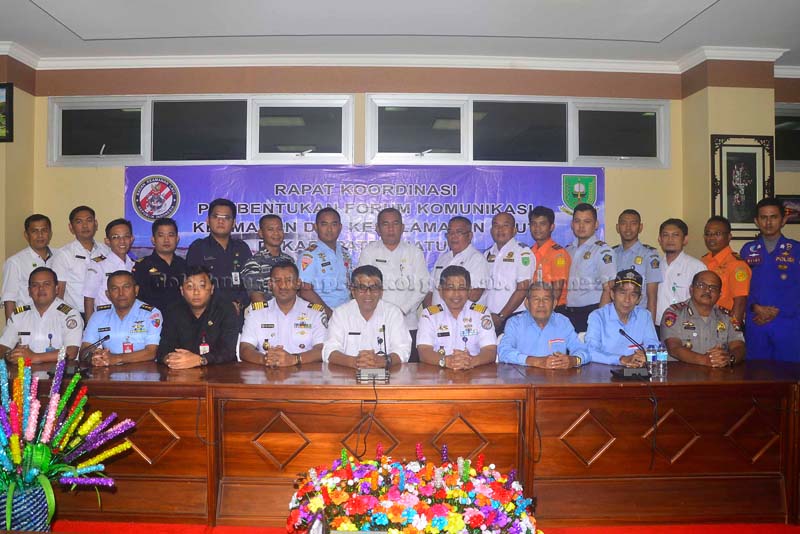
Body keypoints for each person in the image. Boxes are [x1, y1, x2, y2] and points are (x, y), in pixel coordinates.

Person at [357, 208, 428, 361]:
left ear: (402, 227)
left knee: (408, 370)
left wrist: (401, 310)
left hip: (408, 322)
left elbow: (422, 287)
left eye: (395, 224)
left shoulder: (414, 252)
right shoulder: (369, 252)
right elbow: (363, 286)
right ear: (377, 228)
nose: (390, 229)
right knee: (374, 366)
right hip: (376, 322)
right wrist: (384, 312)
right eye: (385, 224)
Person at [740, 198, 800, 361]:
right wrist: (754, 307)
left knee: (789, 372)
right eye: (763, 217)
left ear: (783, 220)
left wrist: (778, 310)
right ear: (756, 221)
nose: (768, 222)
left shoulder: (796, 249)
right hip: (757, 322)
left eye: (773, 217)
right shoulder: (748, 250)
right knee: (757, 371)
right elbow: (742, 287)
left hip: (788, 323)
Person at [239, 261, 326, 367]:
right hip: (267, 372)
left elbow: (322, 349)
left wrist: (294, 359)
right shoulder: (256, 312)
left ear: (298, 283)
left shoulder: (315, 313)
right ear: (270, 284)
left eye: (288, 280)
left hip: (303, 372)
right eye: (277, 281)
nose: (283, 286)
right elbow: (245, 348)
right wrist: (265, 359)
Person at [323, 265, 411, 369]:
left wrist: (384, 360)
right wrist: (354, 362)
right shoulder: (340, 314)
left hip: (386, 375)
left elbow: (403, 349)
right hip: (348, 374)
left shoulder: (393, 313)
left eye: (374, 288)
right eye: (362, 288)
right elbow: (329, 350)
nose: (368, 293)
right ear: (353, 291)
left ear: (381, 291)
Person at [417, 266, 497, 370]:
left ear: (469, 291)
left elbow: (490, 350)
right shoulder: (429, 315)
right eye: (450, 288)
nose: (456, 294)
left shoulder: (481, 313)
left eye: (462, 288)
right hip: (439, 372)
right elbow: (424, 351)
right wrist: (446, 361)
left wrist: (471, 361)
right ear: (440, 291)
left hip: (473, 372)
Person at [157, 265, 239, 369]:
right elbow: (163, 349)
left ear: (212, 289)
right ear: (182, 291)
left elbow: (228, 351)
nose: (196, 292)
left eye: (202, 286)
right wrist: (170, 359)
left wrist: (200, 360)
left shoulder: (226, 310)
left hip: (220, 371)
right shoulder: (173, 311)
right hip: (182, 371)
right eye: (190, 287)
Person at [660, 270, 745, 367]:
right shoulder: (674, 313)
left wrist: (729, 358)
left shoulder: (727, 317)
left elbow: (739, 346)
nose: (707, 290)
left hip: (718, 374)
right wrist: (705, 360)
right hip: (681, 373)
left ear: (719, 294)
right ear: (691, 289)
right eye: (701, 285)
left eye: (713, 287)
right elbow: (674, 348)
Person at [0, 267, 83, 363]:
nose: (41, 288)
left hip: (59, 370)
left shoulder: (69, 314)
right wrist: (9, 355)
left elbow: (71, 352)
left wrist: (34, 357)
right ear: (29, 291)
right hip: (26, 370)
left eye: (46, 284)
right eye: (35, 285)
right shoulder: (19, 314)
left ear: (56, 289)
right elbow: (3, 346)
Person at [497, 282, 588, 369]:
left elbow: (583, 351)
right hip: (523, 377)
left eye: (546, 299)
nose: (541, 304)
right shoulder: (515, 323)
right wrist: (535, 361)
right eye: (536, 299)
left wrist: (574, 360)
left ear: (554, 303)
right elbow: (504, 352)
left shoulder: (562, 322)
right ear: (527, 303)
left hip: (556, 377)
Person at [186, 198, 253, 316]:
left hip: (236, 313)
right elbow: (193, 284)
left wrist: (239, 303)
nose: (221, 221)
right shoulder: (198, 248)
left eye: (226, 217)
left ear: (233, 223)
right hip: (207, 314)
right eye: (216, 217)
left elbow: (250, 282)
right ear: (208, 221)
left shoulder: (242, 248)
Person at [82, 270, 162, 367]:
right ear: (108, 294)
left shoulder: (151, 314)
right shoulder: (99, 315)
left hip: (144, 371)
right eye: (115, 289)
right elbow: (84, 350)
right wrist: (94, 357)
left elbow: (152, 352)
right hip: (108, 371)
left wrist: (116, 358)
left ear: (136, 290)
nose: (121, 293)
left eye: (126, 287)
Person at [585, 269, 659, 368]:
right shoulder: (598, 317)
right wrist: (621, 359)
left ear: (639, 299)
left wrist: (647, 356)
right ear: (612, 294)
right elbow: (590, 351)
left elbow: (654, 347)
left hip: (637, 372)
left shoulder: (644, 316)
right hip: (604, 373)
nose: (627, 300)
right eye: (622, 293)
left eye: (633, 295)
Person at [564, 203, 616, 332]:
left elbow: (608, 288)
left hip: (591, 313)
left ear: (596, 224)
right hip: (568, 314)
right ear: (572, 224)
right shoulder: (568, 250)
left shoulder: (602, 251)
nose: (581, 226)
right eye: (577, 221)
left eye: (587, 221)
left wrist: (600, 320)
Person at [51, 206, 110, 316]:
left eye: (89, 220)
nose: (85, 225)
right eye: (79, 222)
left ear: (96, 224)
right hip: (75, 315)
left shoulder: (106, 251)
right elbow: (58, 293)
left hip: (104, 313)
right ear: (71, 227)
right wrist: (64, 318)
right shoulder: (64, 254)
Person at [484, 212, 535, 333]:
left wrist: (501, 316)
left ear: (514, 230)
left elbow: (523, 288)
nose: (500, 229)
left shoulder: (522, 252)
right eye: (496, 225)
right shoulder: (487, 254)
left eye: (505, 225)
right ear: (491, 230)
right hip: (489, 318)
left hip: (514, 317)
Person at [298, 207, 352, 317]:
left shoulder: (344, 253)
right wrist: (329, 314)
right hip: (321, 315)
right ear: (316, 227)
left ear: (340, 227)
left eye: (334, 224)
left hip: (346, 313)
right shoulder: (309, 255)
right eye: (324, 224)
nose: (329, 229)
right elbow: (305, 291)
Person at [425, 217, 489, 308]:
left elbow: (475, 295)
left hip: (464, 316)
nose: (453, 236)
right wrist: (432, 312)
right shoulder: (443, 258)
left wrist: (448, 312)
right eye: (450, 232)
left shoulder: (477, 259)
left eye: (459, 232)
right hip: (437, 316)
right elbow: (430, 291)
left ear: (470, 236)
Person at [2, 214, 54, 321]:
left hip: (56, 320)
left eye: (44, 230)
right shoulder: (15, 262)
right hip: (27, 320)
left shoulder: (60, 257)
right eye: (34, 231)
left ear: (50, 233)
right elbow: (9, 299)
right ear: (26, 235)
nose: (40, 235)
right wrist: (11, 328)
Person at [613, 209, 662, 322]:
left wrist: (650, 326)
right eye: (624, 223)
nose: (628, 228)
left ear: (640, 227)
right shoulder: (612, 254)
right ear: (617, 227)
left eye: (633, 223)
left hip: (638, 317)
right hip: (614, 317)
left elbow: (652, 296)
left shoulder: (650, 255)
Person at [701, 215, 751, 327]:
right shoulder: (703, 262)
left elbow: (740, 303)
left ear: (729, 237)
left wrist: (732, 331)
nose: (711, 238)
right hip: (703, 324)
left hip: (724, 325)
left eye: (717, 234)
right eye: (708, 234)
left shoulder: (737, 265)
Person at [655, 218, 705, 327]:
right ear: (659, 239)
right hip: (657, 326)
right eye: (665, 235)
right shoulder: (654, 266)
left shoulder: (696, 267)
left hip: (684, 328)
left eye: (675, 235)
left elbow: (703, 302)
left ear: (685, 239)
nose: (670, 239)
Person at [83, 218, 136, 321]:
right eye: (116, 237)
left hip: (130, 320)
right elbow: (89, 298)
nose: (122, 241)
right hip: (105, 320)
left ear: (131, 239)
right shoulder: (98, 265)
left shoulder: (134, 265)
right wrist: (90, 326)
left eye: (126, 236)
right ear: (107, 241)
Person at [132, 217, 187, 313]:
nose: (166, 240)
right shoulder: (142, 266)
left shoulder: (184, 265)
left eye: (171, 235)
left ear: (177, 239)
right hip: (152, 318)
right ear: (153, 239)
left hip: (180, 319)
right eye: (161, 235)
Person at [241, 214, 295, 303]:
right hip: (266, 311)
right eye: (270, 229)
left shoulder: (289, 261)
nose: (276, 233)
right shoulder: (253, 263)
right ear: (261, 233)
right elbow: (256, 297)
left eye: (279, 229)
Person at [529, 206, 571, 308]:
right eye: (534, 224)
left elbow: (557, 289)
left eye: (542, 224)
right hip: (533, 308)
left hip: (552, 309)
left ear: (552, 227)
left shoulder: (558, 254)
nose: (537, 228)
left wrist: (546, 311)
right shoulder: (528, 252)